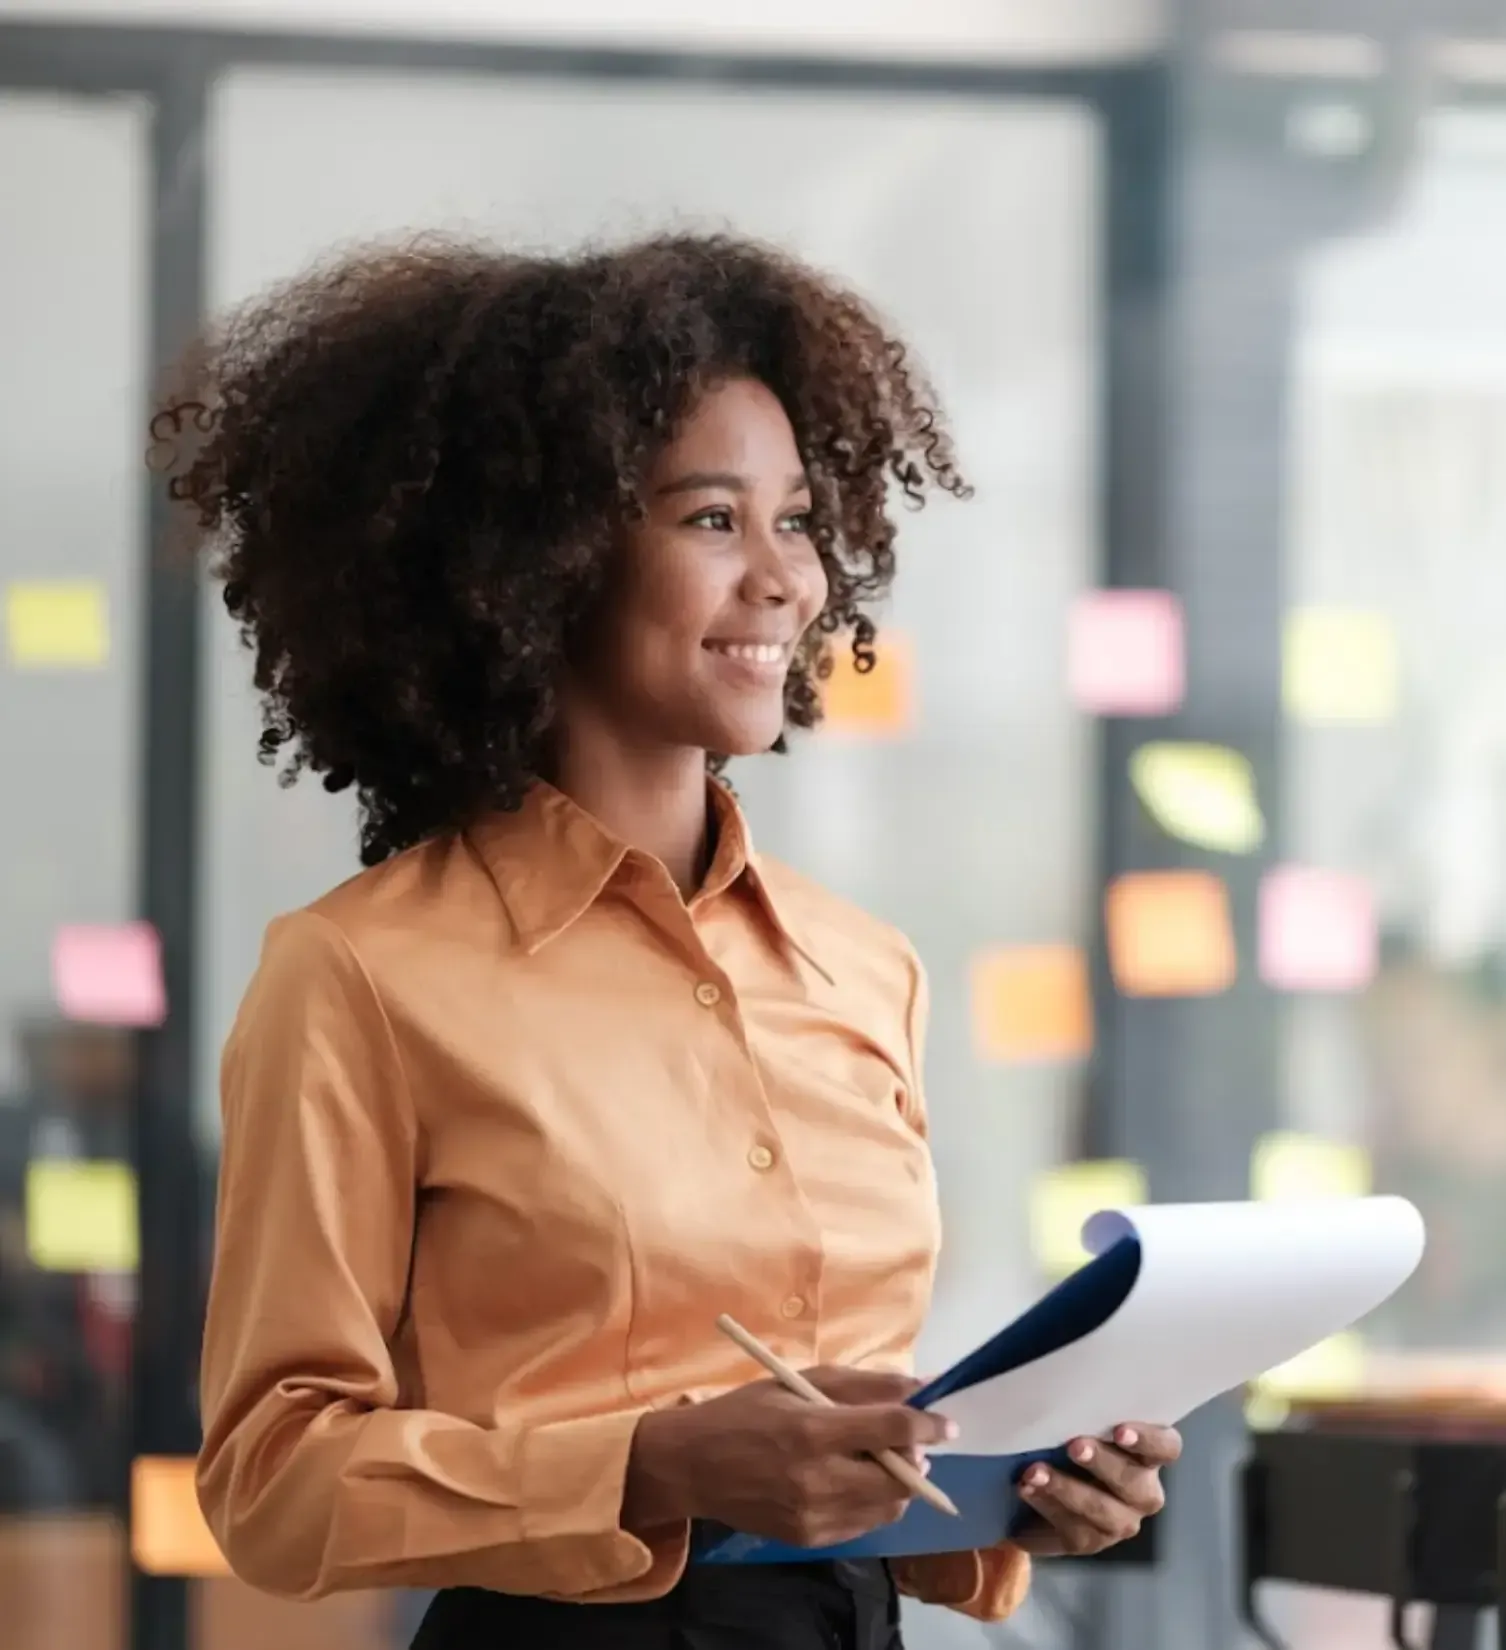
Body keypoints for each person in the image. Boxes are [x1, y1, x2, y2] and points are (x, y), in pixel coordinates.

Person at [162, 232, 1178, 1650]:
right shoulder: (362, 977)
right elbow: (271, 1483)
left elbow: (868, 1459)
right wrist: (652, 1461)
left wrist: (1028, 1487)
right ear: (542, 559)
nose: (785, 579)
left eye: (799, 519)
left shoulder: (861, 967)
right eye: (712, 518)